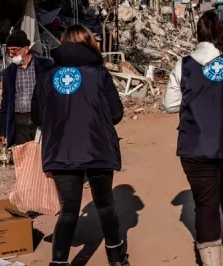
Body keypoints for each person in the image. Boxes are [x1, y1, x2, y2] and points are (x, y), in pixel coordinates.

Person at [164, 11, 223, 266]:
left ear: (198, 34)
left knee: (205, 204)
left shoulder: (184, 65)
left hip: (196, 146)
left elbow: (170, 104)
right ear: (222, 33)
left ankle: (210, 258)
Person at [31, 25, 128, 266]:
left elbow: (37, 117)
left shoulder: (46, 76)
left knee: (68, 211)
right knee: (105, 206)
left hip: (61, 151)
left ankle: (59, 263)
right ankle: (117, 260)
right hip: (98, 148)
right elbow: (116, 114)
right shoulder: (99, 74)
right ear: (88, 44)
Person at [0, 29, 53, 149]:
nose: (11, 55)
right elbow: (6, 102)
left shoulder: (46, 66)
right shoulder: (9, 72)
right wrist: (1, 131)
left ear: (26, 49)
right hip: (20, 122)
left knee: (42, 154)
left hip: (41, 119)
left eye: (14, 51)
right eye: (9, 51)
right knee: (24, 157)